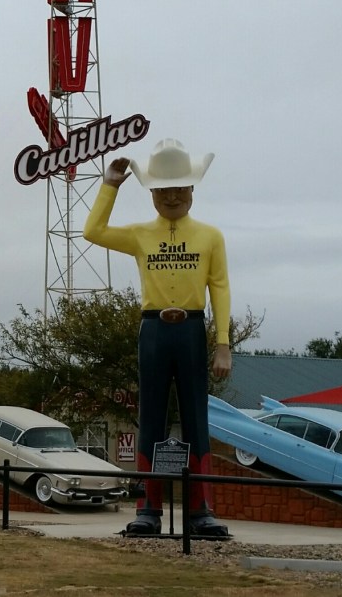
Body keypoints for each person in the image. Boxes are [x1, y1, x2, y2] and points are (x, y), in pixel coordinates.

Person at [83, 138, 231, 537]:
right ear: (151, 193)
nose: (172, 197)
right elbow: (92, 231)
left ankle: (200, 511)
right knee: (150, 416)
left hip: (192, 329)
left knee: (196, 418)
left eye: (179, 188)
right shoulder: (140, 234)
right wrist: (109, 186)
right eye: (163, 189)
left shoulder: (210, 236)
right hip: (153, 330)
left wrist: (223, 343)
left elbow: (219, 287)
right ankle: (147, 509)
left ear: (193, 189)